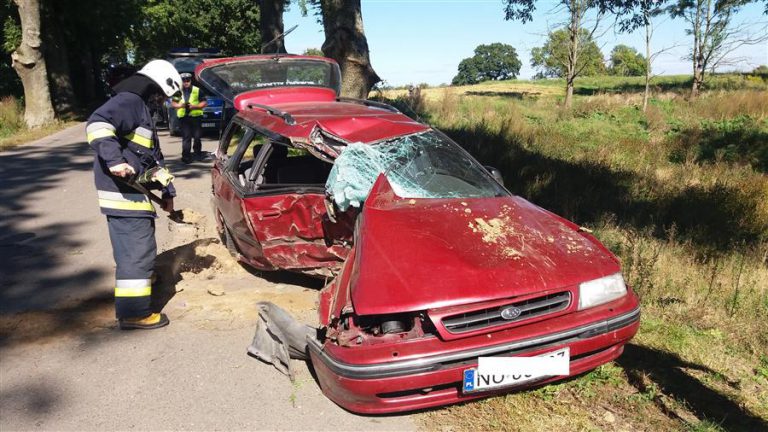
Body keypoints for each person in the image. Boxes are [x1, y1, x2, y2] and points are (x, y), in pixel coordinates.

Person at [85, 59, 181, 330]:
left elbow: (153, 159)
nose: (162, 101)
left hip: (133, 195)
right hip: (123, 196)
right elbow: (97, 123)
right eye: (162, 95)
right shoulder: (129, 102)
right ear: (153, 88)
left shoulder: (142, 110)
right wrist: (115, 160)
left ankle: (143, 281)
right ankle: (134, 313)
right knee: (137, 252)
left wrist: (168, 192)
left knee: (136, 247)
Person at [171, 72, 208, 163]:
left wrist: (194, 106)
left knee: (197, 136)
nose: (186, 82)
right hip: (184, 118)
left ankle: (197, 153)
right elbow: (174, 104)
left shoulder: (197, 90)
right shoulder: (178, 92)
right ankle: (186, 156)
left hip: (196, 116)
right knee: (186, 137)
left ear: (191, 80)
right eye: (184, 81)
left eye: (188, 80)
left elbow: (204, 102)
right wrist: (181, 106)